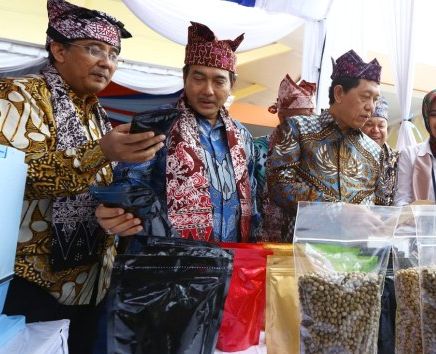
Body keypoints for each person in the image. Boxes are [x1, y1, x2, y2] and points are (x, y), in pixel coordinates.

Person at [0, 1, 165, 354]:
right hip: (27, 282)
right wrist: (101, 152)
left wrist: (115, 214)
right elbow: (14, 176)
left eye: (113, 54)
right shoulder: (15, 94)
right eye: (94, 49)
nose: (107, 62)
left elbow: (93, 188)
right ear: (58, 49)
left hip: (90, 283)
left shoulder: (96, 112)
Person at [96, 21, 258, 243]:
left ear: (232, 85)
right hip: (166, 261)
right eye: (198, 78)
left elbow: (252, 199)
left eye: (219, 81)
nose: (208, 91)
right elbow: (129, 182)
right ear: (185, 78)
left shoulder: (242, 136)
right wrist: (120, 211)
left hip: (229, 260)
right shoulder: (157, 124)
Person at [267, 50, 387, 241]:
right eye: (365, 97)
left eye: (375, 99)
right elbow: (279, 186)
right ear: (339, 93)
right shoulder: (298, 128)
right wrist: (338, 211)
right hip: (304, 256)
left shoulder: (374, 151)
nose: (371, 107)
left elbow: (381, 207)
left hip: (357, 261)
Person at [254, 74, 316, 242]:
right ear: (281, 117)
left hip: (301, 238)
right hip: (261, 238)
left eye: (309, 120)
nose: (304, 126)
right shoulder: (258, 148)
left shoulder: (316, 152)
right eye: (298, 120)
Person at [361, 97, 399, 205]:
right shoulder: (351, 154)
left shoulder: (398, 159)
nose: (375, 130)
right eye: (369, 124)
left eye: (381, 125)